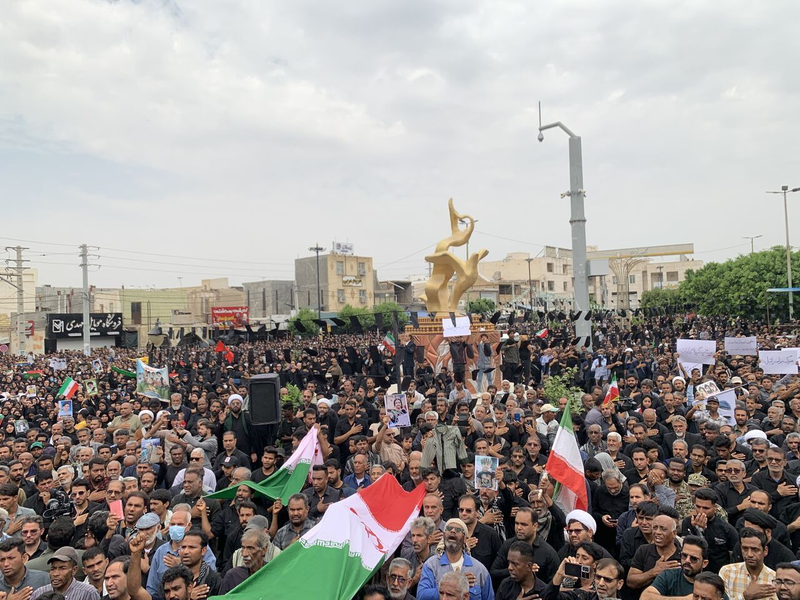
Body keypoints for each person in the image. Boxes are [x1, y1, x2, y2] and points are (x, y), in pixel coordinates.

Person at [416, 518, 494, 600]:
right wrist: (455, 582)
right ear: (444, 536)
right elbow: (421, 596)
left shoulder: (479, 569)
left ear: (465, 539)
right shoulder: (431, 565)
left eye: (458, 530)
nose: (453, 531)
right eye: (449, 528)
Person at [641, 535, 708, 600]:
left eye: (693, 559)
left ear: (704, 563)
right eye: (684, 555)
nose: (687, 560)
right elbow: (645, 597)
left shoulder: (710, 584)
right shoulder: (668, 576)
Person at [719, 528, 777, 600]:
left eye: (755, 549)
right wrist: (745, 596)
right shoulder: (727, 572)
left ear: (765, 551)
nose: (749, 554)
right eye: (745, 549)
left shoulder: (774, 579)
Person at [31, 547, 100, 600]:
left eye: (62, 568)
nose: (55, 574)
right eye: (53, 569)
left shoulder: (88, 593)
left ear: (74, 570)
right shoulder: (39, 593)